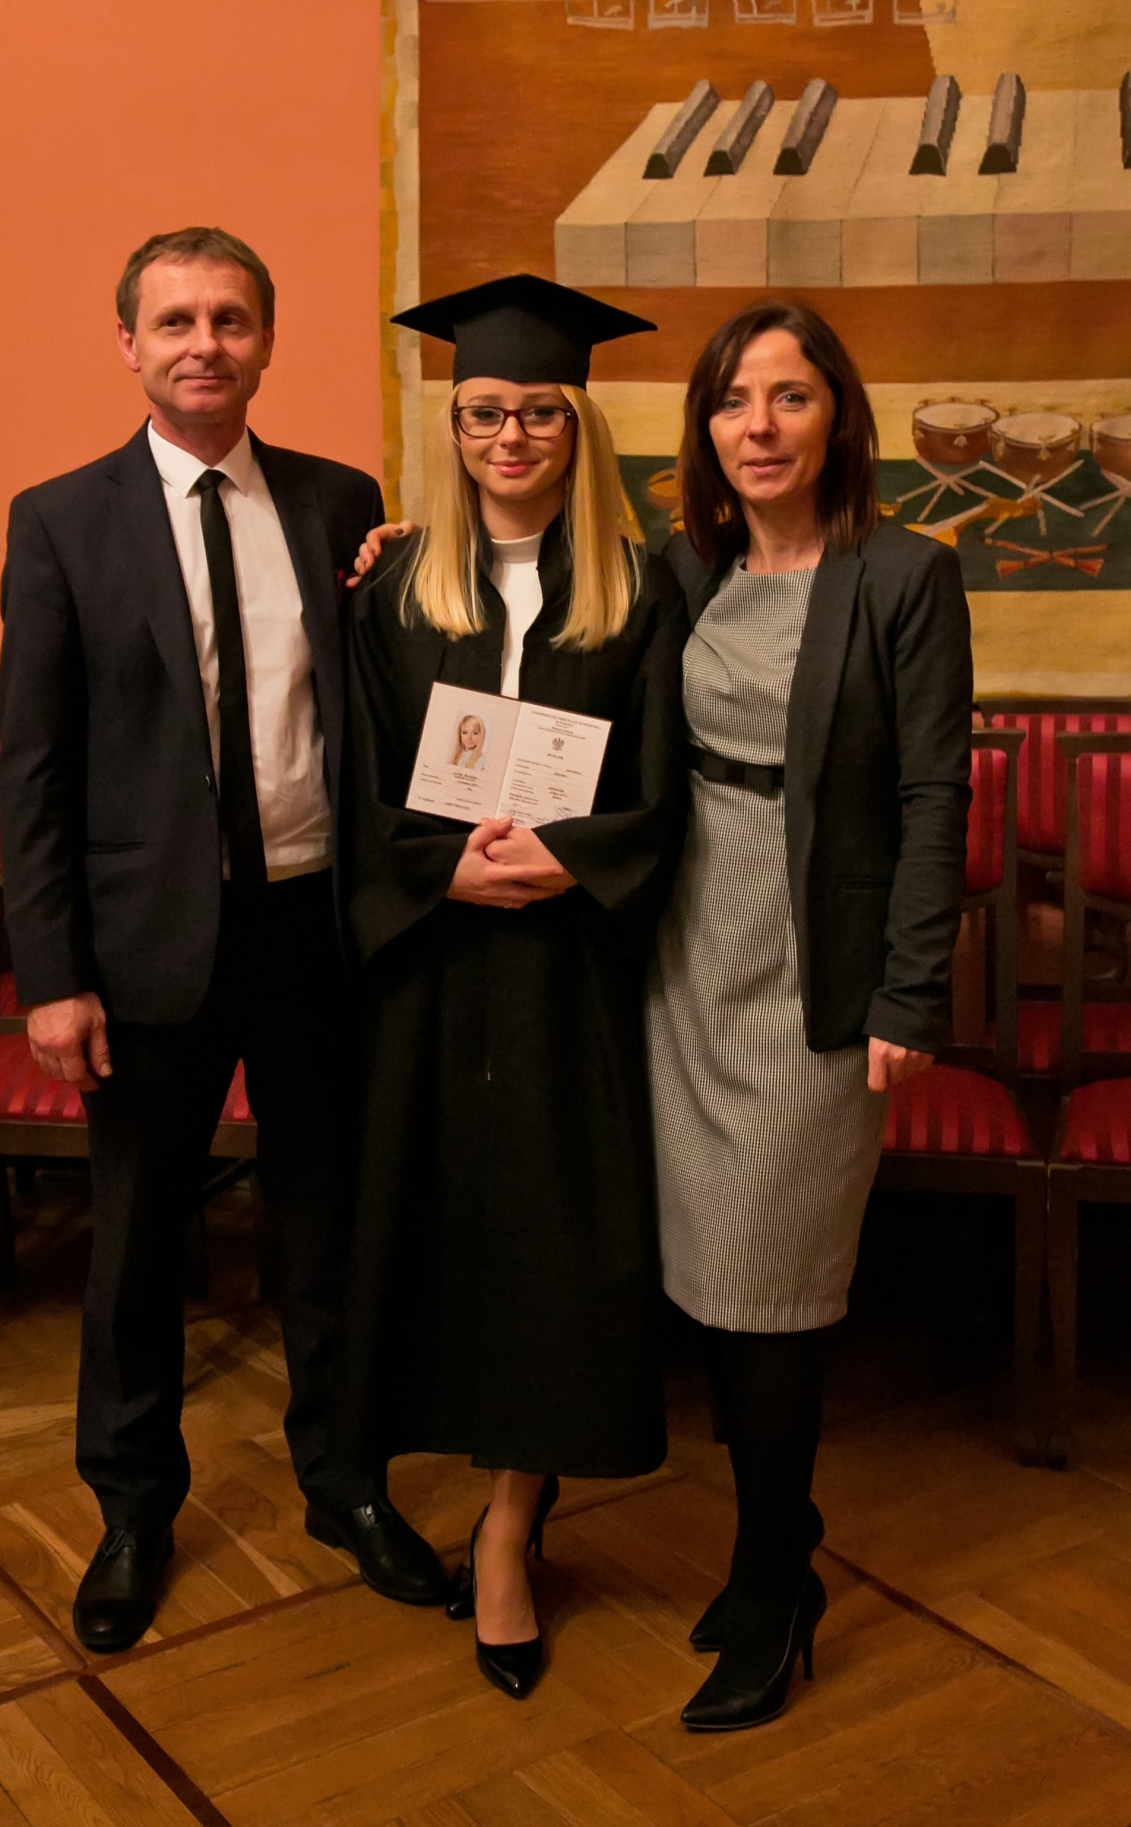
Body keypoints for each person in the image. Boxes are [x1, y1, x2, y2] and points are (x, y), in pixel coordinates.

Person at [0, 226, 447, 1654]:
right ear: (129, 343)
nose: (206, 343)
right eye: (178, 320)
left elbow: (380, 698)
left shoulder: (338, 502)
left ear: (266, 340)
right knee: (137, 1244)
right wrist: (53, 976)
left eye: (232, 319)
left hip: (314, 925)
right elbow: (35, 767)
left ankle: (343, 1481)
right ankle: (133, 1509)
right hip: (147, 947)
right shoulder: (60, 521)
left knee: (328, 1226)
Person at [338, 274, 688, 1701]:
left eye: (541, 411)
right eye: (484, 412)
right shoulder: (396, 588)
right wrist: (439, 876)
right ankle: (423, 1473)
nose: (510, 436)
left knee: (554, 1244)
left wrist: (572, 863)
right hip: (432, 974)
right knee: (438, 1229)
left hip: (568, 977)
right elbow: (356, 777)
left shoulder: (643, 588)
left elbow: (669, 785)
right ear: (455, 425)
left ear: (579, 425)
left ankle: (509, 1523)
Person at [647, 300, 972, 1731]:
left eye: (788, 397)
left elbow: (932, 794)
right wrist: (396, 551)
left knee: (771, 1289)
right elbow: (539, 602)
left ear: (838, 415)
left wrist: (911, 989)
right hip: (681, 965)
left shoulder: (905, 573)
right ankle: (782, 1539)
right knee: (711, 1282)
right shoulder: (684, 567)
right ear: (707, 430)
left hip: (817, 975)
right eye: (733, 401)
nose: (759, 426)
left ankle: (775, 1579)